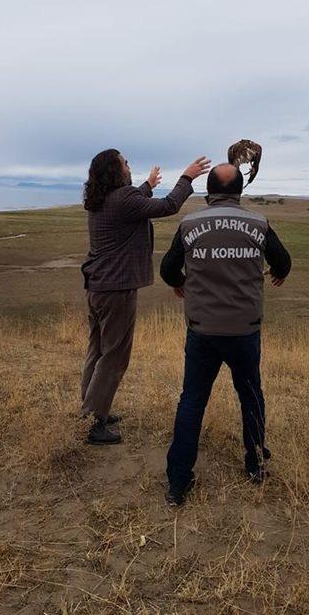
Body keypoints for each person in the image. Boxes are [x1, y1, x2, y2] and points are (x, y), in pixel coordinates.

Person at [160, 163, 291, 506]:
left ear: (209, 191)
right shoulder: (258, 223)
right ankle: (255, 463)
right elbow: (284, 261)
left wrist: (179, 283)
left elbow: (167, 268)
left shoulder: (189, 224)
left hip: (202, 330)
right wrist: (276, 272)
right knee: (250, 396)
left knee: (192, 400)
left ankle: (177, 481)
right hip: (244, 330)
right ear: (239, 193)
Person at [80, 149, 210, 445]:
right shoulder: (123, 199)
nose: (129, 166)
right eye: (125, 162)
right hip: (117, 291)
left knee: (97, 350)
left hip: (98, 287)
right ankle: (93, 421)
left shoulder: (100, 200)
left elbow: (132, 200)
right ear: (116, 171)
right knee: (114, 356)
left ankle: (91, 408)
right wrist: (187, 177)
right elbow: (169, 205)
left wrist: (149, 184)